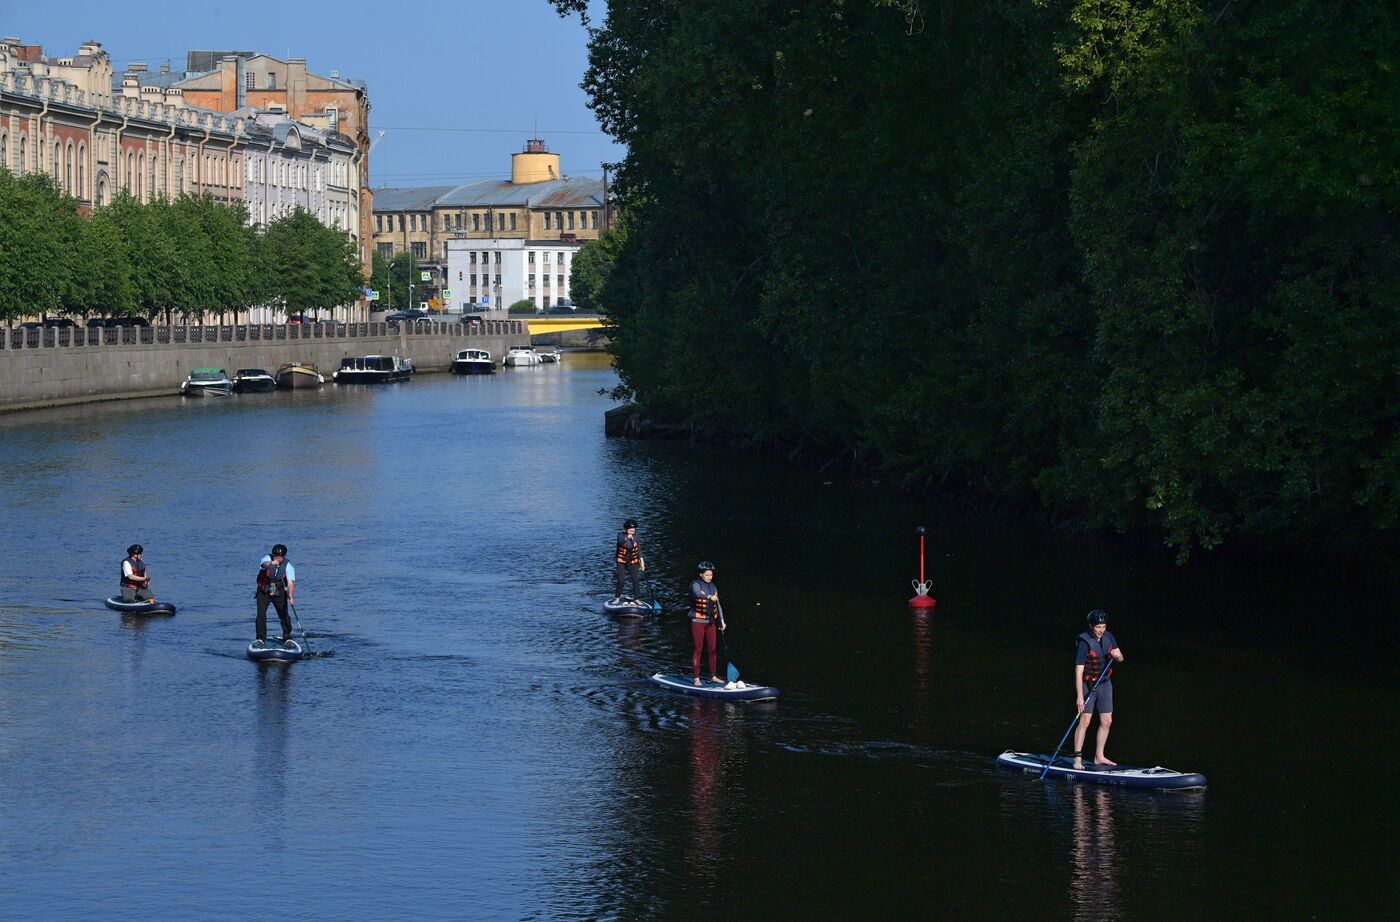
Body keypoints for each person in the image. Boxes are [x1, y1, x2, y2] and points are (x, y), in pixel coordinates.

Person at [1073, 609, 1125, 768]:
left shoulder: (1109, 637)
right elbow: (1079, 670)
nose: (1101, 630)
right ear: (1091, 626)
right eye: (1098, 627)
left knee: (1107, 720)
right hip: (1088, 685)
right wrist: (1080, 696)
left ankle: (1099, 756)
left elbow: (1121, 658)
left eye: (1103, 626)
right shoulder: (1084, 641)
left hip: (1104, 684)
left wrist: (1118, 656)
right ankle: (1077, 759)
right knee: (1085, 720)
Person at [688, 561, 725, 686]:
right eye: (707, 575)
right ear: (701, 574)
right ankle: (696, 678)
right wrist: (709, 597)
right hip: (697, 621)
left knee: (712, 649)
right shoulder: (696, 585)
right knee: (698, 649)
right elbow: (698, 594)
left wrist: (722, 621)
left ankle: (713, 676)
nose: (710, 577)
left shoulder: (713, 587)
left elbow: (717, 605)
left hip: (710, 622)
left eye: (711, 575)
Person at [255, 543, 296, 645]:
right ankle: (260, 639)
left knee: (284, 615)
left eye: (280, 558)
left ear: (283, 557)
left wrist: (290, 595)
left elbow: (290, 583)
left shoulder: (288, 566)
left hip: (279, 592)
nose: (278, 559)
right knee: (261, 615)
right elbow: (264, 565)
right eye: (276, 557)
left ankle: (287, 637)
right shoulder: (267, 559)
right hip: (264, 591)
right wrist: (271, 563)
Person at [610, 518, 646, 605]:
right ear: (625, 529)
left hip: (632, 561)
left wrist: (642, 563)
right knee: (621, 580)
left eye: (633, 531)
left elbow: (639, 550)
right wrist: (627, 537)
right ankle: (617, 598)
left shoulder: (636, 537)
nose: (632, 532)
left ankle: (637, 598)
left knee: (635, 580)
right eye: (630, 530)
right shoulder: (620, 535)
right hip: (621, 561)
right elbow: (621, 541)